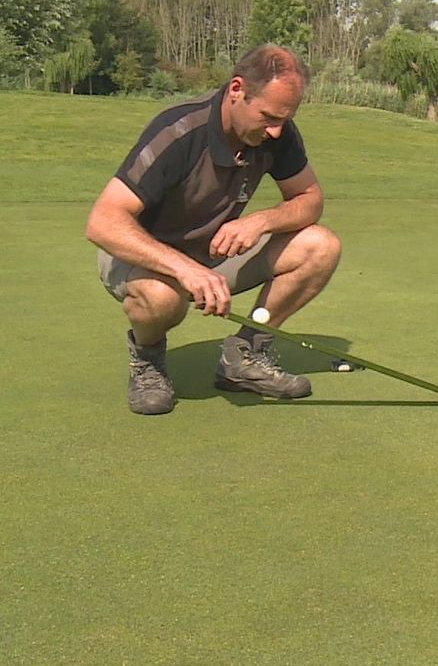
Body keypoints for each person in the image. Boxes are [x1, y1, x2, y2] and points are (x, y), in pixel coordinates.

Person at [86, 44, 342, 415]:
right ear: (237, 89)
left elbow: (310, 199)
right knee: (163, 297)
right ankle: (147, 359)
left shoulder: (278, 133)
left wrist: (261, 220)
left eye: (285, 119)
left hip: (211, 257)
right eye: (269, 117)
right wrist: (184, 269)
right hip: (137, 257)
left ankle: (245, 356)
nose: (276, 131)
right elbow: (103, 221)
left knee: (321, 246)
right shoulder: (179, 131)